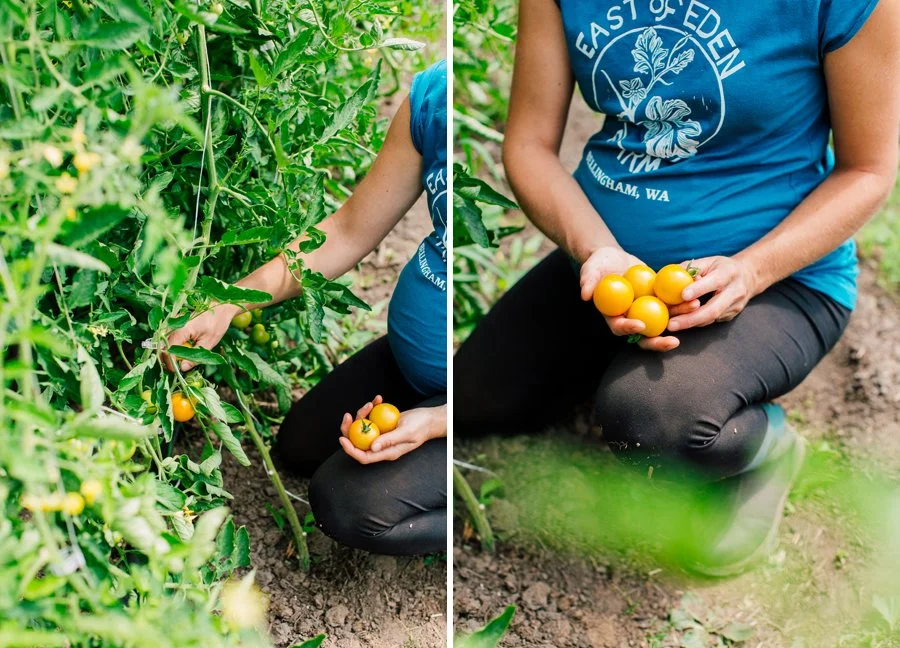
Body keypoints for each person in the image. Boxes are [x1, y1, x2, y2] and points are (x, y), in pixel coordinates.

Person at [455, 0, 899, 575]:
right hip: (610, 268)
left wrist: (752, 271)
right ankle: (624, 360)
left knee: (650, 421)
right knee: (474, 398)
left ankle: (769, 449)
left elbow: (867, 170)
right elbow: (528, 145)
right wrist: (596, 251)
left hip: (779, 280)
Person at [169, 61, 448, 556]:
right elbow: (346, 231)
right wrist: (226, 303)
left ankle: (489, 498)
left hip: (466, 388)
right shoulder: (435, 97)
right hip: (417, 366)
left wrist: (436, 421)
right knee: (300, 444)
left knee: (348, 505)